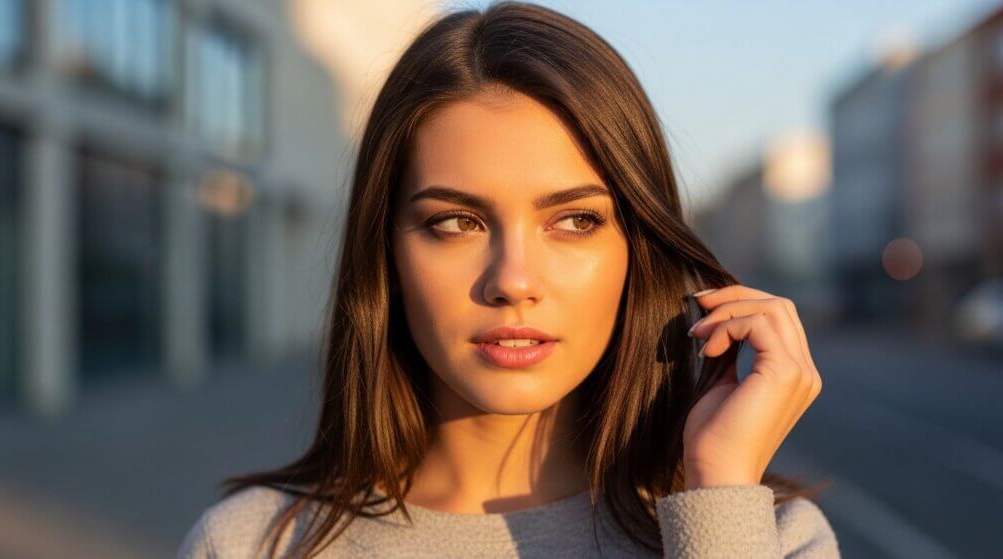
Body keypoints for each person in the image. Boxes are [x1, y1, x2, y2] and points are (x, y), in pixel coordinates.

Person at [178, 1, 840, 557]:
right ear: (387, 253)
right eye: (455, 222)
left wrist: (719, 495)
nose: (514, 281)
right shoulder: (250, 544)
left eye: (575, 220)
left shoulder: (761, 536)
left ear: (638, 251)